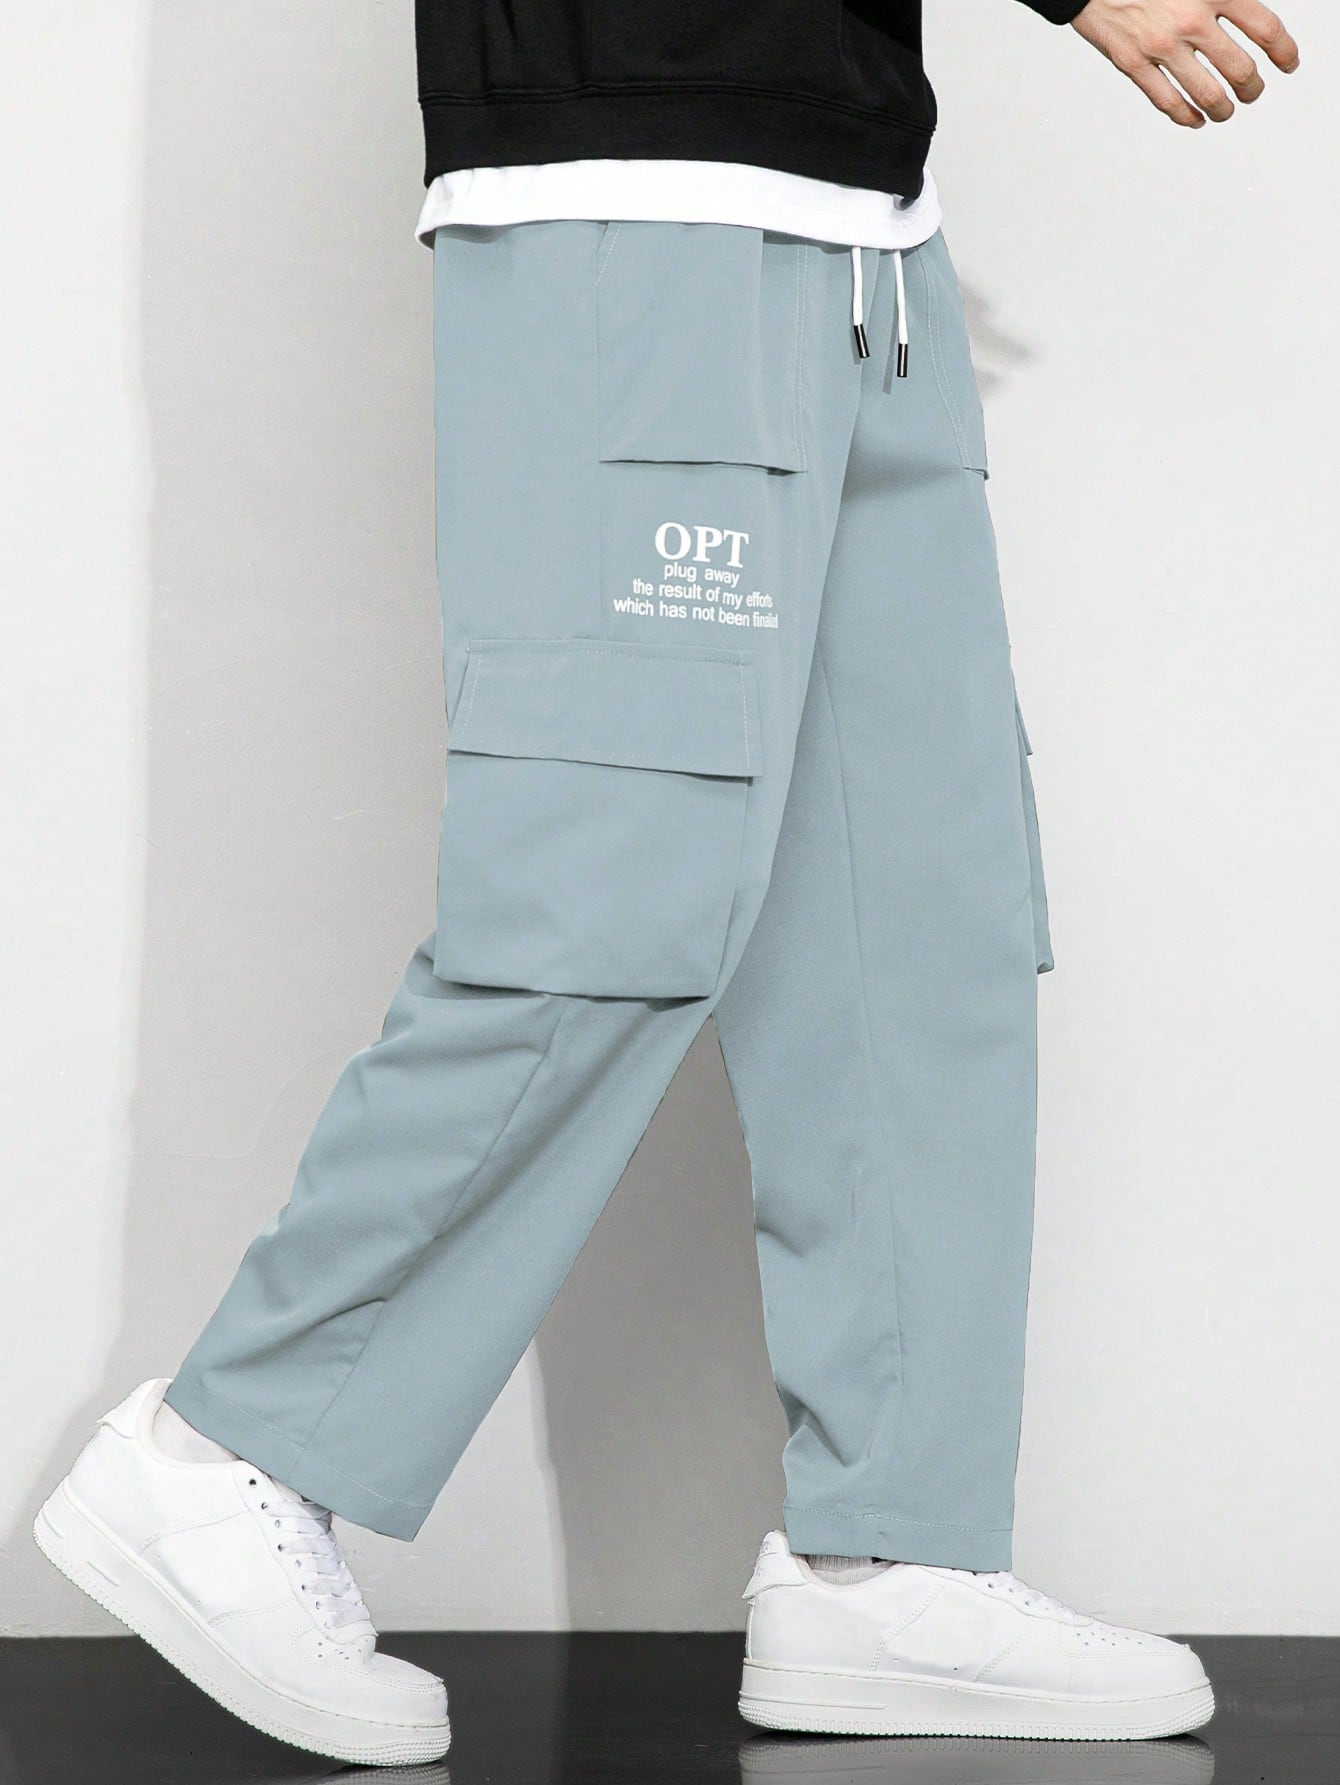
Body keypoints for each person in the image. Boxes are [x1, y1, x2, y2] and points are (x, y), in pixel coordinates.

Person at [33, 0, 1298, 1767]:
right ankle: (234, 1450)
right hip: (633, 179)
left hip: (861, 221)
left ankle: (898, 1556)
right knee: (618, 879)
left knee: (916, 917)